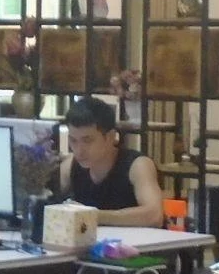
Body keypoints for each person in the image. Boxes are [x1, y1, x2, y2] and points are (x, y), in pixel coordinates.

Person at [57, 96, 165, 227]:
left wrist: (92, 215)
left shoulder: (137, 165)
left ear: (110, 137)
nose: (79, 150)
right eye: (73, 140)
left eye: (87, 140)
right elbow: (45, 199)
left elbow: (154, 215)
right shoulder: (71, 165)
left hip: (137, 240)